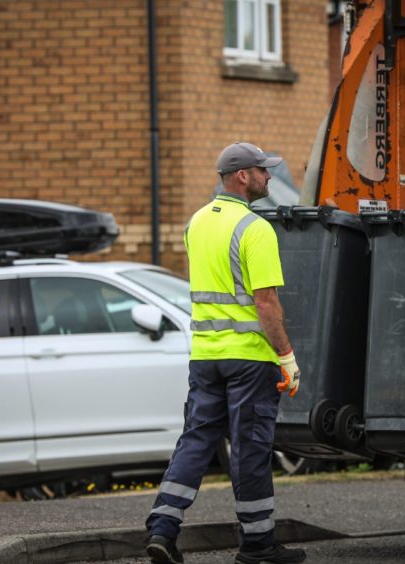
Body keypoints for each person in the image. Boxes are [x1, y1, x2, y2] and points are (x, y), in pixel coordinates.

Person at [145, 143, 305, 564]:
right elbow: (265, 302)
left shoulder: (195, 223)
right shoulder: (255, 228)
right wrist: (287, 357)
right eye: (263, 171)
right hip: (250, 358)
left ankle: (162, 528)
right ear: (241, 176)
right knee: (251, 447)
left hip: (205, 355)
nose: (270, 178)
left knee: (196, 440)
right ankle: (257, 545)